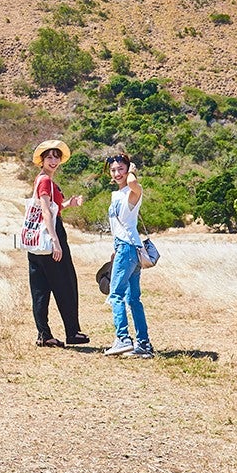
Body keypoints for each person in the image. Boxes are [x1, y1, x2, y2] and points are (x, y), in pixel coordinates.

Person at [28, 139, 89, 347]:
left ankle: (44, 335)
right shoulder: (46, 181)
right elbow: (46, 211)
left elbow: (53, 207)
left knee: (40, 288)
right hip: (50, 235)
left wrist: (69, 203)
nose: (53, 161)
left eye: (56, 157)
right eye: (49, 157)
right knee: (66, 284)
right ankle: (72, 332)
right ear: (42, 160)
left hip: (36, 241)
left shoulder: (41, 180)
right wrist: (55, 241)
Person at [103, 151, 153, 358]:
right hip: (125, 247)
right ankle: (144, 344)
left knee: (115, 294)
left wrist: (132, 171)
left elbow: (133, 183)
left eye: (121, 169)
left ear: (128, 169)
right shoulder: (117, 195)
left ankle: (123, 339)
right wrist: (115, 251)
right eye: (113, 170)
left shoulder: (133, 191)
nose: (117, 174)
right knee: (133, 298)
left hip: (128, 247)